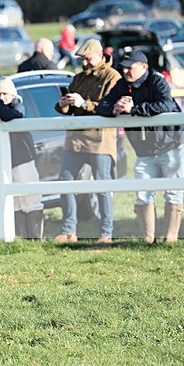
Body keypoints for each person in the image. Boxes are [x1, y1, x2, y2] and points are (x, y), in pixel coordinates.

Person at [97, 50, 184, 243]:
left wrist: (134, 110)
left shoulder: (157, 81)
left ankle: (170, 240)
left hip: (171, 144)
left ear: (144, 67)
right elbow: (102, 105)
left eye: (130, 67)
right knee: (142, 192)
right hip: (145, 150)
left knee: (173, 190)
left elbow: (165, 105)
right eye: (123, 67)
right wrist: (113, 109)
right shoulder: (122, 85)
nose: (125, 71)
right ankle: (148, 239)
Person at [53, 39, 121, 244]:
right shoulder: (78, 78)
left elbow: (109, 107)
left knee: (102, 187)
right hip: (75, 139)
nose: (85, 63)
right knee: (65, 182)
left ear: (100, 55)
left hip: (100, 140)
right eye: (82, 59)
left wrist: (84, 103)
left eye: (88, 58)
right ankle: (68, 232)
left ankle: (106, 234)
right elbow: (66, 110)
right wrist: (63, 104)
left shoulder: (113, 77)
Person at [0, 77, 44, 239]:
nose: (2, 97)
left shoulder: (18, 105)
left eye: (5, 94)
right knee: (13, 202)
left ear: (13, 94)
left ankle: (35, 239)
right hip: (4, 162)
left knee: (30, 198)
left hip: (23, 159)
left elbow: (8, 116)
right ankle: (20, 238)